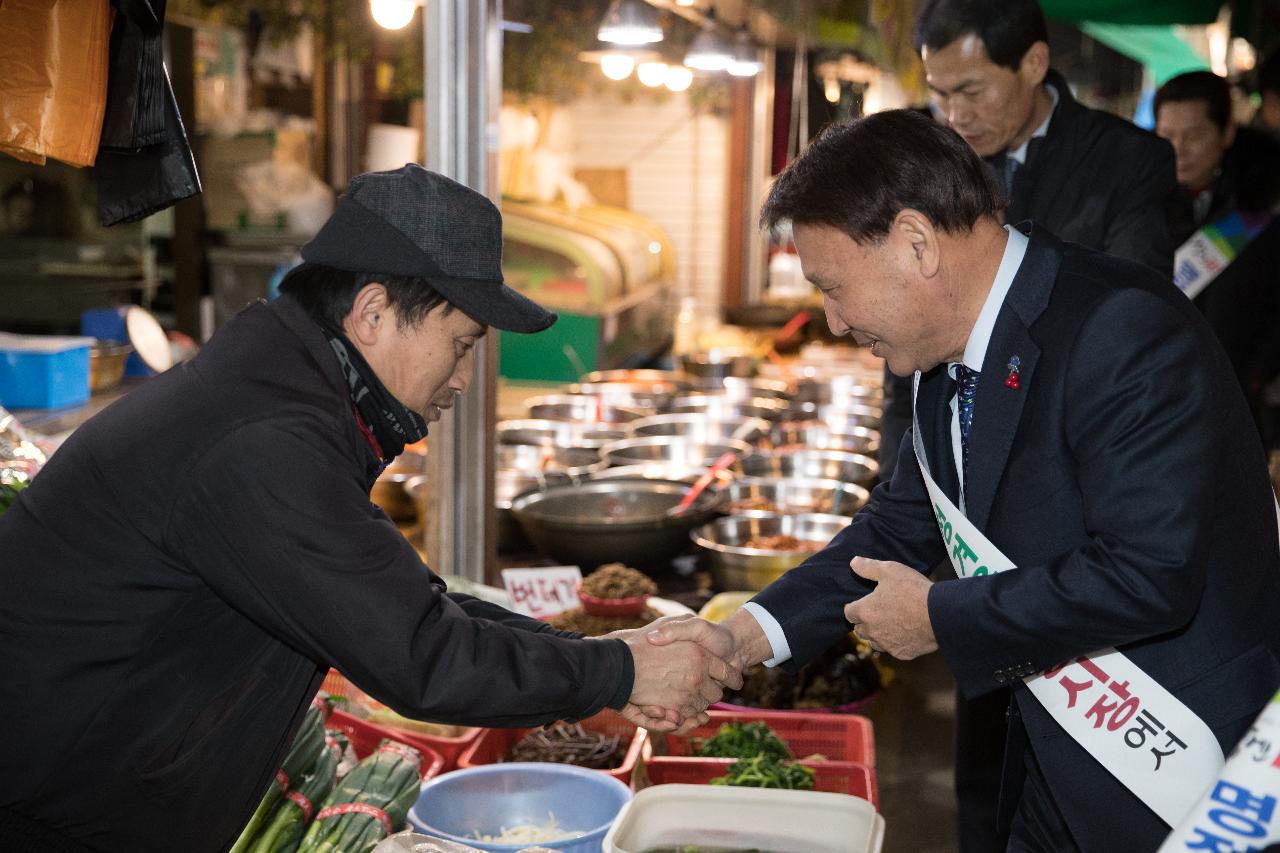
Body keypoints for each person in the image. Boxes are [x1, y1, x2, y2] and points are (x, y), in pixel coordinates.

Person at [0, 165, 735, 851]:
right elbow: (421, 654)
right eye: (461, 342)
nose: (465, 377)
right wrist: (615, 673)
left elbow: (414, 607)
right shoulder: (261, 440)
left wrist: (608, 662)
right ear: (373, 312)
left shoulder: (281, 399)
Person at [653, 109, 1280, 852]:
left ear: (916, 243)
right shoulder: (944, 360)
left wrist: (941, 617)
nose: (832, 320)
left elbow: (1151, 572)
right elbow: (893, 530)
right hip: (1059, 761)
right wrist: (734, 639)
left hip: (1177, 770)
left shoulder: (1120, 328)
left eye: (832, 285)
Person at [871, 3, 1181, 847]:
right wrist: (902, 491)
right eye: (939, 94)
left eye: (970, 89)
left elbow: (1135, 305)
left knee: (1078, 763)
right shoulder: (933, 163)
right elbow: (908, 347)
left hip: (1072, 494)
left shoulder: (1128, 162)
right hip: (972, 505)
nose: (955, 114)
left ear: (1035, 63)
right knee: (987, 739)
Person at [1155, 70, 1280, 437]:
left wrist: (1258, 373)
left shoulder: (1262, 207)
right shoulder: (1139, 205)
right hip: (1161, 401)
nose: (1178, 149)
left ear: (1226, 133)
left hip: (1242, 402)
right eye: (1166, 136)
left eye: (1193, 135)